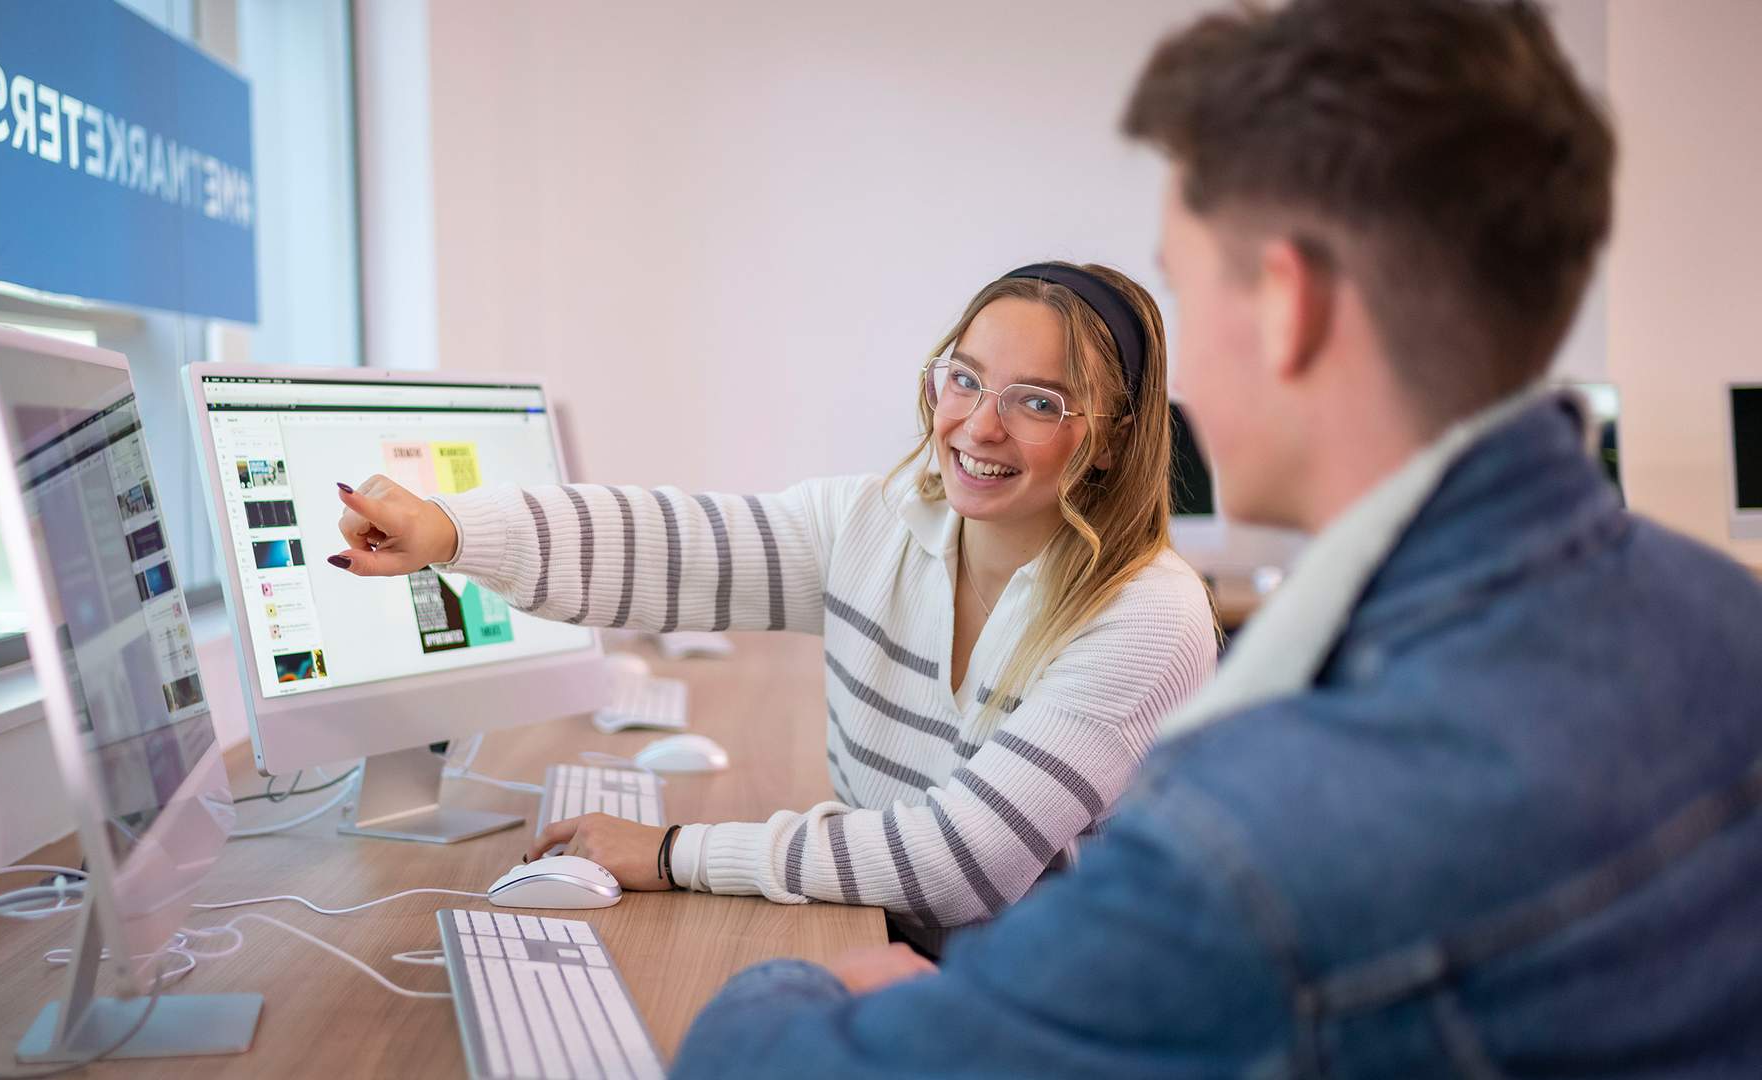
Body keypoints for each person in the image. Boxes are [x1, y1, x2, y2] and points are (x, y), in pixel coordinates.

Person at [667, 0, 1762, 1075]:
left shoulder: (1252, 839)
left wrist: (804, 985)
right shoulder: (1733, 626)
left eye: (1186, 288)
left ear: (1286, 308)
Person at [330, 262, 1217, 952]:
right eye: (965, 380)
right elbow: (661, 548)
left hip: (1073, 1021)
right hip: (928, 965)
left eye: (1036, 402)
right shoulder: (875, 525)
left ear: (1112, 440)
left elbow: (957, 865)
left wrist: (675, 853)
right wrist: (448, 530)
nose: (979, 427)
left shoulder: (1144, 615)